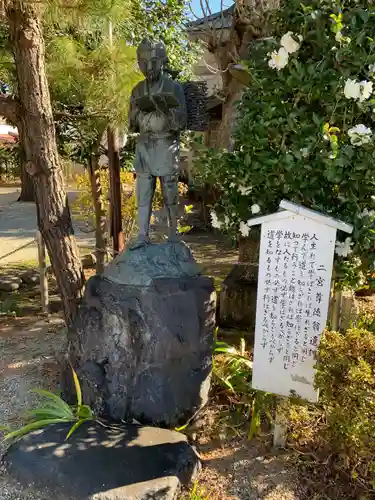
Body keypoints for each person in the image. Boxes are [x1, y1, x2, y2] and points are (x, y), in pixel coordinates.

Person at [128, 38, 187, 248]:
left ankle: (173, 232)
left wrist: (166, 112)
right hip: (144, 146)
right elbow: (131, 123)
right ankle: (142, 234)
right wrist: (139, 115)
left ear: (163, 61)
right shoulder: (137, 90)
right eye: (143, 62)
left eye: (153, 61)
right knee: (143, 193)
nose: (149, 67)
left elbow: (181, 120)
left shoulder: (174, 87)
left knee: (170, 190)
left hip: (166, 145)